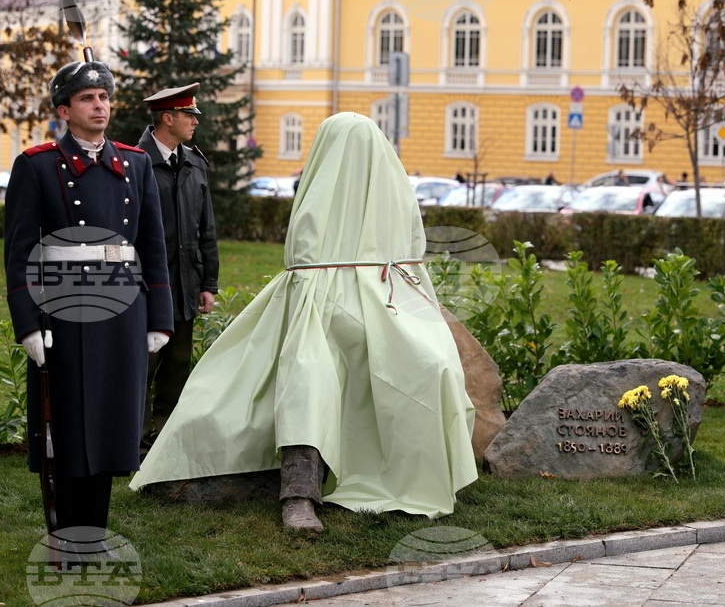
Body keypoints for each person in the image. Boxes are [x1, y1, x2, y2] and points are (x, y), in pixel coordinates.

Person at [132, 112, 477, 533]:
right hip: (317, 315)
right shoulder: (318, 199)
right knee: (309, 376)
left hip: (384, 315)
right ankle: (299, 494)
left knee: (431, 365)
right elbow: (305, 272)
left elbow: (406, 266)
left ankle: (417, 474)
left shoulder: (394, 198)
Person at [4, 59, 173, 536]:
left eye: (103, 97)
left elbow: (152, 246)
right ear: (64, 111)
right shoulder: (37, 165)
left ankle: (94, 532)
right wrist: (28, 323)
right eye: (86, 99)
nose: (99, 106)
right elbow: (19, 253)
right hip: (64, 311)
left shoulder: (135, 163)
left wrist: (158, 317)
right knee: (68, 425)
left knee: (110, 426)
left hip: (123, 310)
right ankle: (67, 533)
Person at [137, 83, 219, 454]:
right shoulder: (135, 162)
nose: (195, 122)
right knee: (144, 363)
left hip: (186, 282)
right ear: (168, 119)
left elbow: (206, 229)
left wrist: (208, 283)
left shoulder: (195, 163)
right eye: (189, 115)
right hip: (148, 284)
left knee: (178, 362)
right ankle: (137, 441)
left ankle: (165, 439)